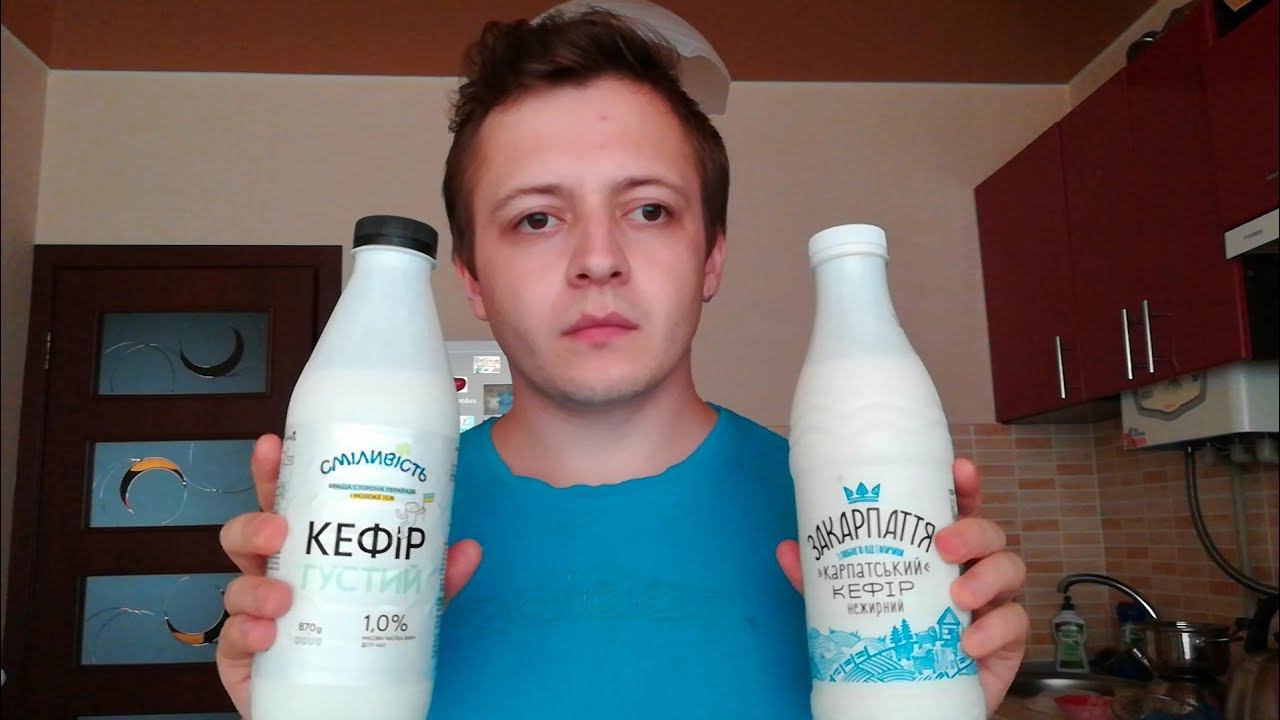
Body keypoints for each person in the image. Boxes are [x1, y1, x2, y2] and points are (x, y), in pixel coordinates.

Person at [216, 9, 1028, 719]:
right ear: (472, 279)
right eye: (537, 219)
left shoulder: (851, 529)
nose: (598, 259)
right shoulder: (370, 534)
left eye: (648, 210)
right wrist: (291, 701)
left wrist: (945, 703)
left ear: (711, 258)